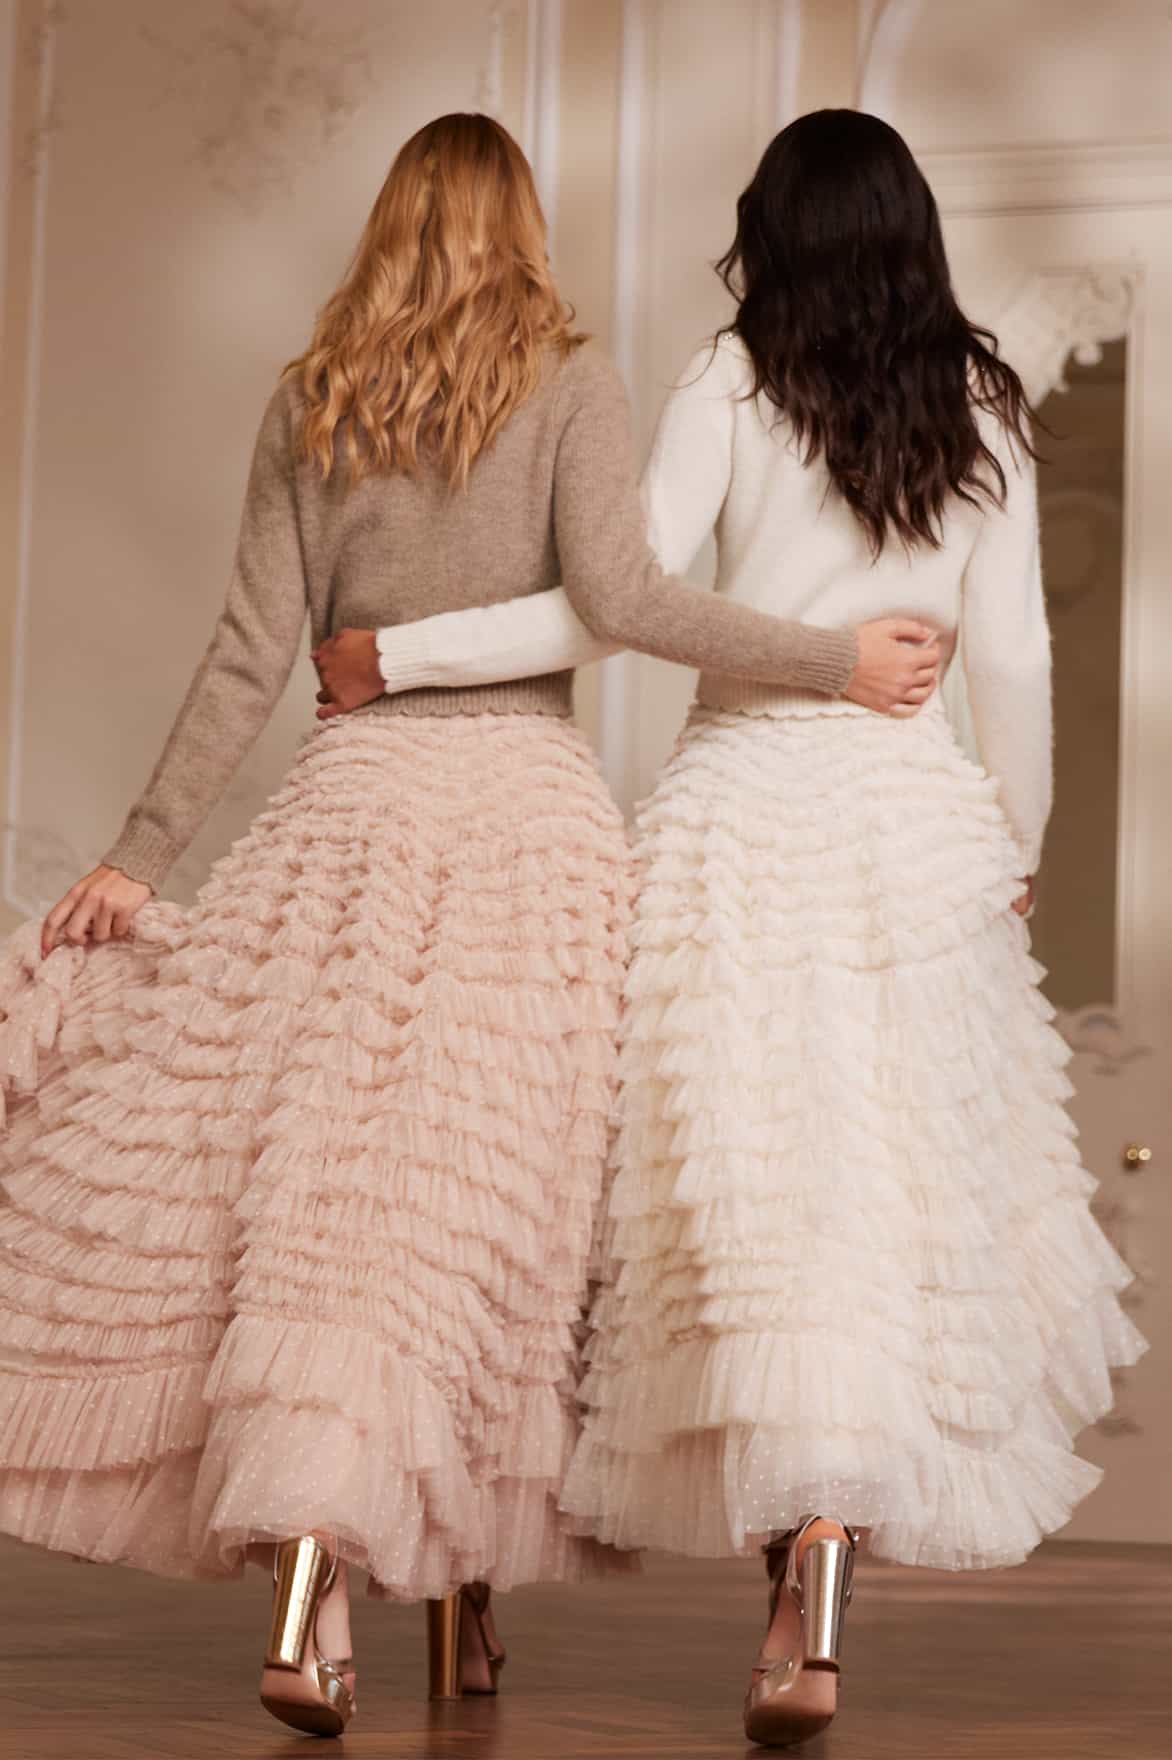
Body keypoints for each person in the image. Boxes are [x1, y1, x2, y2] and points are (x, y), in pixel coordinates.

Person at [0, 113, 936, 1738]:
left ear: (390, 222)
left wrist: (143, 858)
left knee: (335, 1190)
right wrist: (833, 660)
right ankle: (434, 1584)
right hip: (524, 827)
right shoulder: (572, 381)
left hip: (352, 814)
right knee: (488, 1225)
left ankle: (335, 1589)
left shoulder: (312, 396)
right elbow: (625, 606)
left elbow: (248, 653)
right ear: (521, 225)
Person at [319, 110, 1147, 1750]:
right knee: (882, 1209)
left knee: (757, 1205)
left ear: (773, 233)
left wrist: (397, 657)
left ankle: (700, 1564)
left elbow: (607, 602)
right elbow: (1015, 659)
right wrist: (1020, 841)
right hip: (915, 827)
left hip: (743, 817)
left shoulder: (731, 380)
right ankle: (815, 1576)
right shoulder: (982, 403)